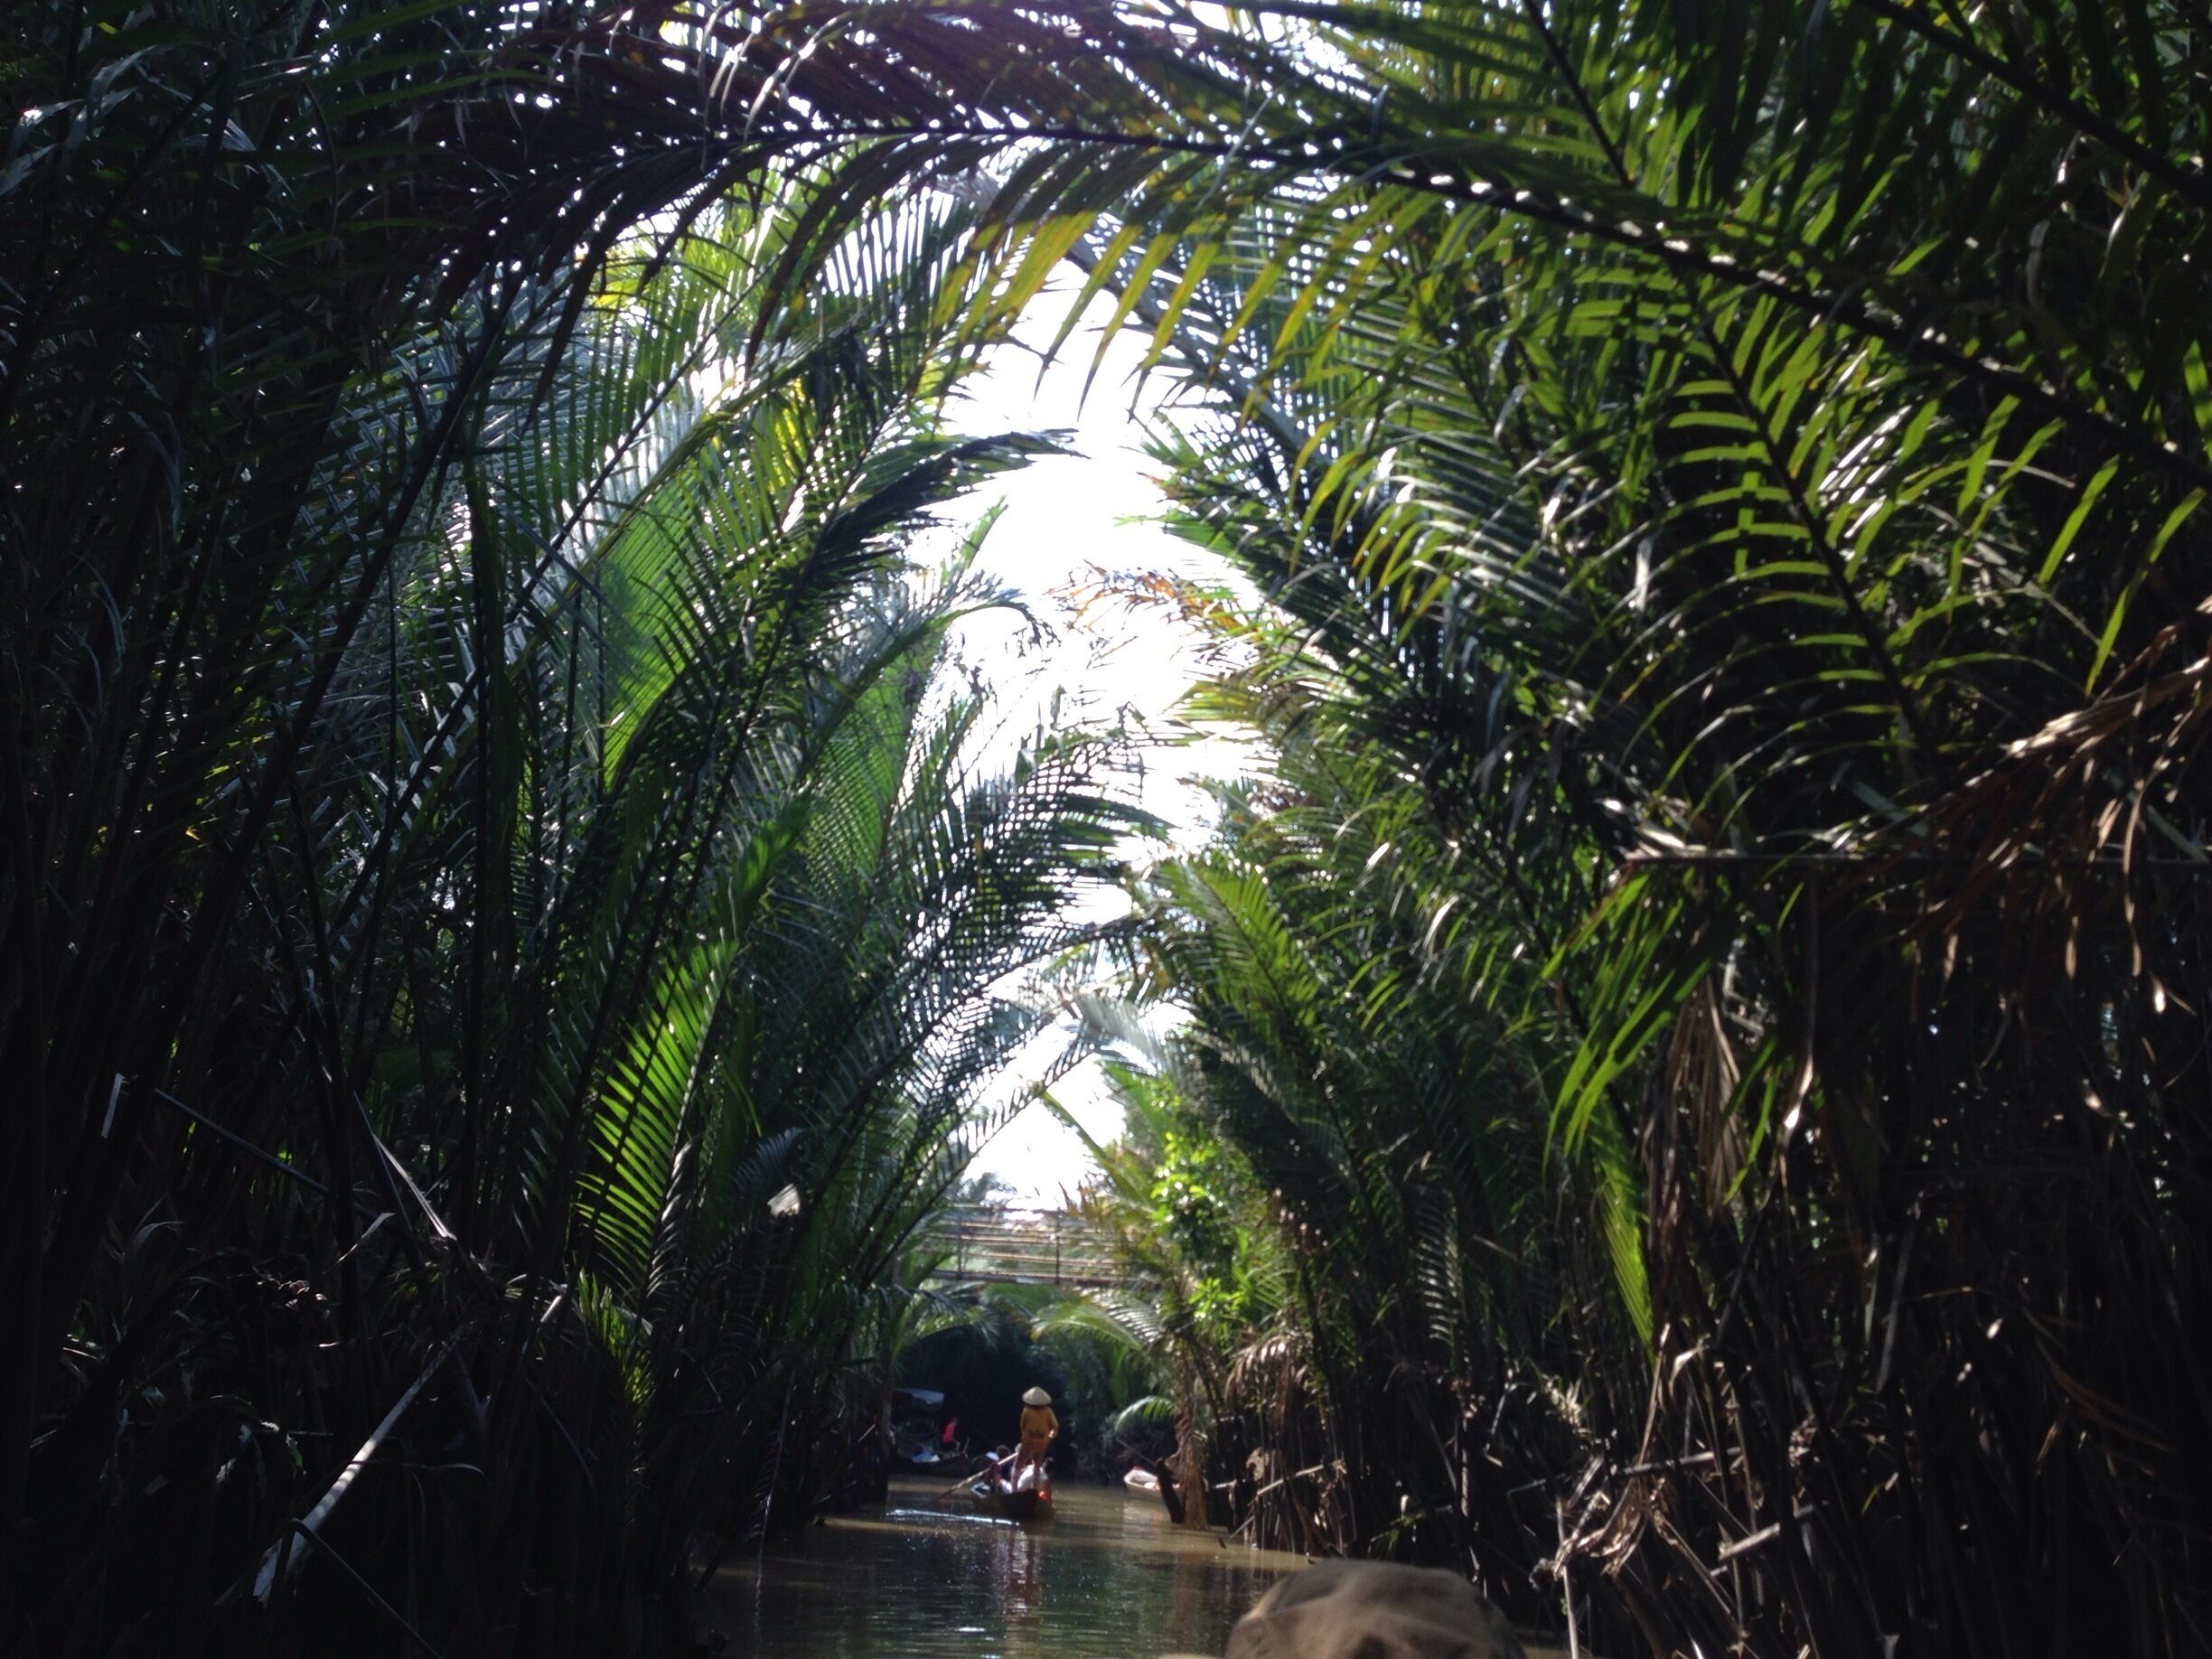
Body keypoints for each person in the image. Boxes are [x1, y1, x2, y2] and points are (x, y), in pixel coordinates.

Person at [1015, 1386, 1058, 1491]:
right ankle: (1033, 1491)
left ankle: (1014, 1490)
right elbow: (1055, 1427)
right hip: (1042, 1444)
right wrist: (1050, 1436)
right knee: (1037, 1468)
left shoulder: (1026, 1411)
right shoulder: (1048, 1411)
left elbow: (1023, 1427)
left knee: (1017, 1467)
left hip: (1028, 1443)